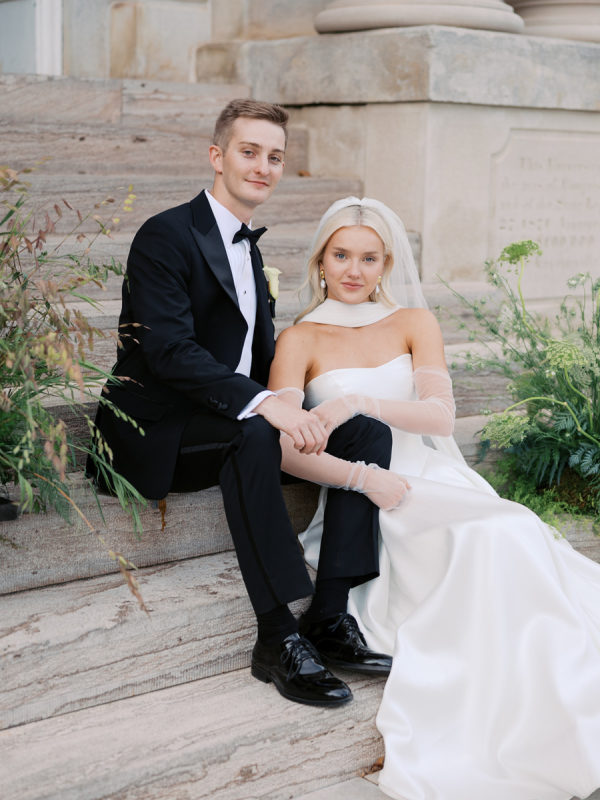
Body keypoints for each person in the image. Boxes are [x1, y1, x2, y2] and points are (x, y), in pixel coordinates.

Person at [267, 196, 600, 800]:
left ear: (386, 263)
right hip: (371, 491)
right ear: (320, 261)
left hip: (432, 476)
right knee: (491, 537)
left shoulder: (413, 323)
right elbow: (286, 450)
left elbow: (441, 418)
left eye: (369, 258)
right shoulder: (299, 338)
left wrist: (355, 401)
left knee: (514, 527)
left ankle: (549, 693)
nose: (354, 270)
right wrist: (362, 478)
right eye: (341, 255)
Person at [86, 101, 402, 709]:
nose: (263, 166)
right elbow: (167, 350)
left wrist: (306, 403)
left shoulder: (250, 251)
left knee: (364, 433)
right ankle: (277, 636)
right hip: (158, 428)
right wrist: (263, 404)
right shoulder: (165, 234)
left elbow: (258, 357)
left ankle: (329, 616)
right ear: (218, 156)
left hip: (227, 414)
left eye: (274, 157)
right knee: (253, 432)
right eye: (249, 152)